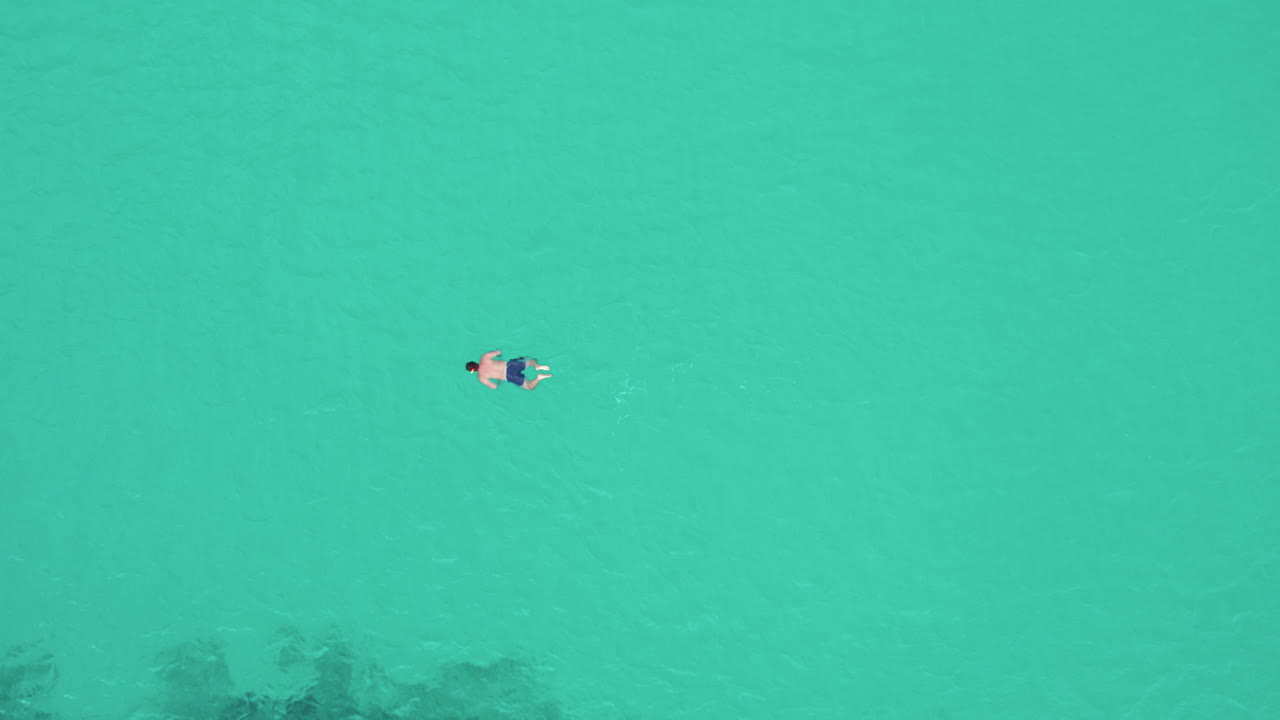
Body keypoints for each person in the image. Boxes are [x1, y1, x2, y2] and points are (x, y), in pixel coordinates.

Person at [466, 350, 552, 390]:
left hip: (509, 376)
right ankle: (537, 366)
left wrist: (498, 381)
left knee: (529, 387)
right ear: (475, 362)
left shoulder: (481, 377)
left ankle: (538, 378)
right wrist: (499, 357)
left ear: (473, 370)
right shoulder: (484, 357)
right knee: (531, 360)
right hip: (510, 365)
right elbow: (498, 352)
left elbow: (494, 387)